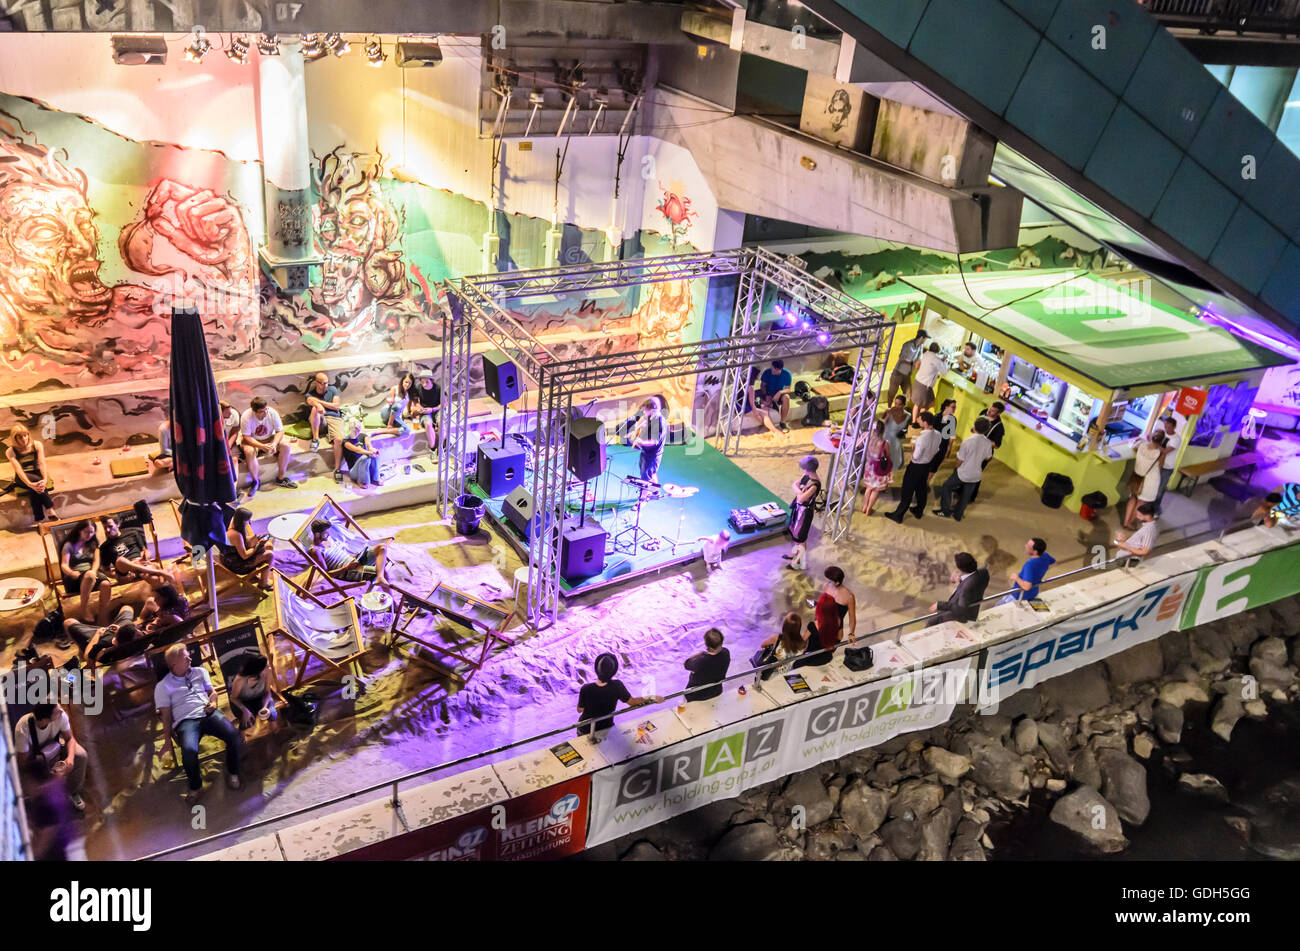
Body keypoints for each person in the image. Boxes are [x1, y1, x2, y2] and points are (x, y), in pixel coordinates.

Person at [155, 643, 243, 798]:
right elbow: (166, 715)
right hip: (186, 721)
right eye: (185, 657)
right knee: (188, 752)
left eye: (188, 655)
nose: (190, 658)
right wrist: (167, 740)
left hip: (208, 713)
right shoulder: (163, 686)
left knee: (234, 736)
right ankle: (195, 786)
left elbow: (212, 692)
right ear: (174, 663)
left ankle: (233, 772)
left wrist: (214, 703)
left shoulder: (200, 672)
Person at [13, 703, 87, 812]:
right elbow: (23, 761)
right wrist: (50, 776)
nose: (61, 711)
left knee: (81, 755)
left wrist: (70, 759)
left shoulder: (61, 716)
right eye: (57, 711)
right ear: (45, 719)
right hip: (35, 761)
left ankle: (72, 792)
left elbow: (70, 738)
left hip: (55, 748)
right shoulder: (23, 728)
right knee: (35, 791)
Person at [576, 653, 661, 741]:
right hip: (606, 727)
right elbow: (632, 702)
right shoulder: (617, 686)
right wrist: (651, 697)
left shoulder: (586, 688)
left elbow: (580, 709)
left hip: (585, 729)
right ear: (613, 672)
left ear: (597, 669)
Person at [934, 416, 994, 522]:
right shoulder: (988, 443)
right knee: (966, 496)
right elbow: (988, 457)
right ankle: (958, 515)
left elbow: (960, 460)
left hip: (963, 472)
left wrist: (956, 469)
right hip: (976, 474)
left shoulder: (967, 442)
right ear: (987, 429)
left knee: (946, 487)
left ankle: (945, 511)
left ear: (974, 426)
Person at [888, 411, 942, 522]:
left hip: (916, 466)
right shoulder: (938, 434)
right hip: (926, 466)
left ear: (925, 423)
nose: (917, 419)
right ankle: (918, 511)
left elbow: (916, 457)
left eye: (919, 419)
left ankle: (898, 515)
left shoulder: (922, 439)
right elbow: (936, 450)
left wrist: (913, 447)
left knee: (907, 490)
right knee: (921, 489)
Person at [239, 396, 297, 494]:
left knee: (285, 446)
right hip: (253, 440)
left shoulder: (272, 412)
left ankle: (280, 478)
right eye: (262, 411)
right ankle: (255, 481)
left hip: (269, 438)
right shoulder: (246, 416)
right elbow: (246, 437)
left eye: (266, 409)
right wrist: (261, 446)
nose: (266, 412)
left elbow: (280, 431)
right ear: (255, 411)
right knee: (249, 451)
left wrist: (274, 444)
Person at [4, 423, 59, 525]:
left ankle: (39, 521)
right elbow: (18, 470)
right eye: (20, 437)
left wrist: (45, 479)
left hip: (36, 473)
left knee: (35, 488)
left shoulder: (37, 445)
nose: (24, 439)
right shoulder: (10, 451)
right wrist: (29, 484)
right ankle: (50, 510)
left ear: (28, 435)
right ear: (15, 439)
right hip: (22, 476)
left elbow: (42, 463)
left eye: (25, 435)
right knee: (35, 484)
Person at [60, 520, 111, 624]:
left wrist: (93, 572)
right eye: (87, 532)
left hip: (92, 574)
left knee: (105, 584)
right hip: (75, 576)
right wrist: (71, 573)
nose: (90, 535)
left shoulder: (94, 544)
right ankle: (84, 608)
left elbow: (96, 562)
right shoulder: (69, 545)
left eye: (92, 532)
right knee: (89, 575)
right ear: (79, 531)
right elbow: (64, 565)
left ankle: (103, 617)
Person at [309, 517, 388, 584]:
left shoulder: (327, 540)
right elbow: (326, 574)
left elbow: (339, 556)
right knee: (383, 571)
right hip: (348, 572)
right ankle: (383, 583)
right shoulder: (316, 551)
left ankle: (380, 577)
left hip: (355, 561)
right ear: (317, 535)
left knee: (382, 547)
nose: (329, 534)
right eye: (326, 533)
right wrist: (347, 568)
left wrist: (355, 555)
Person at [100, 514, 171, 586]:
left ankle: (172, 595)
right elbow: (106, 571)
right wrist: (116, 576)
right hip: (125, 572)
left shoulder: (132, 533)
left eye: (110, 526)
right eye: (105, 528)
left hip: (139, 563)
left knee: (155, 579)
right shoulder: (104, 547)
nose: (107, 530)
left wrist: (145, 556)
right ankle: (159, 572)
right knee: (120, 560)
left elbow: (145, 550)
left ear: (117, 524)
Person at [806, 565, 856, 662]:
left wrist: (851, 633)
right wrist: (816, 603)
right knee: (810, 651)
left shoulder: (849, 596)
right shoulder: (826, 586)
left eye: (830, 580)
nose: (828, 582)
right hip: (820, 626)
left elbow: (852, 617)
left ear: (837, 582)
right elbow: (825, 605)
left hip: (835, 632)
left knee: (825, 657)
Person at [305, 372, 347, 482]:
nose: (325, 385)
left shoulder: (332, 390)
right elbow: (310, 400)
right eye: (322, 383)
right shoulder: (310, 394)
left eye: (326, 383)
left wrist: (319, 402)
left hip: (334, 418)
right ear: (316, 382)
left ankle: (337, 469)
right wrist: (318, 406)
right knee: (315, 409)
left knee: (338, 440)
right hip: (320, 419)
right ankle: (316, 438)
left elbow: (336, 406)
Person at [927, 552, 990, 626]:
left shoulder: (965, 589)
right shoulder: (983, 572)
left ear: (960, 569)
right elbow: (973, 581)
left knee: (931, 622)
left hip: (961, 616)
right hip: (972, 607)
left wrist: (939, 604)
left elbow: (961, 610)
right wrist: (962, 579)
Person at [222, 507, 273, 589]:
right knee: (270, 555)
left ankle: (262, 575)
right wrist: (257, 545)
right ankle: (263, 583)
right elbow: (244, 556)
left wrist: (256, 538)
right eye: (248, 520)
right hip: (236, 564)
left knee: (267, 545)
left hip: (232, 557)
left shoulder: (233, 524)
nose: (250, 522)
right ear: (242, 521)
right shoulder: (236, 534)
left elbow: (241, 541)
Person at [63, 608, 139, 664]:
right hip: (125, 637)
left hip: (100, 636)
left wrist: (98, 634)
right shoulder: (141, 640)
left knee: (68, 622)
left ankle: (79, 647)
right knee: (127, 608)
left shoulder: (104, 645)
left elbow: (87, 657)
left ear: (116, 638)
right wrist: (120, 629)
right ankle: (103, 619)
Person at [753, 613, 808, 688]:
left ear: (785, 626)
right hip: (788, 671)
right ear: (798, 627)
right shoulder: (801, 642)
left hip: (772, 673)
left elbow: (763, 645)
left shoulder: (777, 638)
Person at [1124, 431, 1166, 530]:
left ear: (1152, 437)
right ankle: (1130, 522)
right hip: (1150, 479)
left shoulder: (1142, 445)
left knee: (1133, 498)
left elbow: (1135, 450)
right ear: (1162, 440)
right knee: (1140, 502)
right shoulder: (1161, 452)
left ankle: (1126, 522)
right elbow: (1161, 466)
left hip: (1137, 477)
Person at [785, 455, 821, 568]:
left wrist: (798, 491)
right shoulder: (807, 476)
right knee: (795, 534)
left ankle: (798, 561)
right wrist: (799, 491)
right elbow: (795, 484)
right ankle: (795, 554)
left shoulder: (815, 484)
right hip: (798, 508)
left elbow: (801, 497)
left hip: (805, 513)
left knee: (801, 537)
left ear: (807, 469)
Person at [228, 654, 278, 732]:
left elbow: (267, 692)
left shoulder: (268, 671)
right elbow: (233, 698)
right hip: (243, 702)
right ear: (257, 671)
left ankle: (276, 736)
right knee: (247, 722)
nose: (268, 667)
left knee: (272, 714)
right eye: (265, 667)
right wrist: (245, 711)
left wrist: (264, 706)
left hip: (260, 697)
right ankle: (241, 736)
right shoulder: (240, 679)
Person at [968, 401, 1005, 504]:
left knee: (976, 474)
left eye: (993, 411)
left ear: (998, 413)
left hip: (984, 454)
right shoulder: (984, 412)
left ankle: (971, 496)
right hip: (974, 447)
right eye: (990, 408)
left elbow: (997, 445)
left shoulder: (999, 427)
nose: (990, 411)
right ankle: (961, 490)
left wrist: (982, 438)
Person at [999, 537, 1056, 605]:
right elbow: (1054, 563)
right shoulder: (1045, 555)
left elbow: (1026, 587)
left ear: (1035, 552)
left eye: (1028, 546)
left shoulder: (1030, 565)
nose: (1025, 546)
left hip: (1019, 596)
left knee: (996, 607)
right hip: (1034, 592)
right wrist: (1039, 571)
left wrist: (1016, 578)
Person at [683, 628, 731, 702]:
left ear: (706, 643)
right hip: (716, 692)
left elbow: (686, 663)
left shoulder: (700, 661)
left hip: (696, 696)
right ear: (721, 642)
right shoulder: (726, 653)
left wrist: (700, 654)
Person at [859, 418, 893, 516]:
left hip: (869, 466)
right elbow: (888, 455)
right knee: (875, 490)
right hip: (879, 468)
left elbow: (858, 445)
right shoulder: (884, 443)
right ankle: (869, 509)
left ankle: (864, 507)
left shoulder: (866, 436)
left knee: (868, 488)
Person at [886, 329, 928, 405]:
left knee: (909, 395)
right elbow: (901, 359)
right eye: (925, 338)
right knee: (892, 393)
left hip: (907, 374)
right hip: (898, 372)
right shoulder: (907, 345)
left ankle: (902, 410)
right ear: (922, 338)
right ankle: (889, 409)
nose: (926, 340)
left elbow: (920, 356)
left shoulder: (920, 346)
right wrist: (913, 363)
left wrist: (918, 360)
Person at [631, 396, 667, 485]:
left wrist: (641, 443)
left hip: (652, 455)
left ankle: (643, 498)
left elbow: (654, 441)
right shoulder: (651, 418)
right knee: (651, 472)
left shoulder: (659, 422)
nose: (644, 412)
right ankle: (656, 490)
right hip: (646, 452)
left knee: (645, 477)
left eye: (645, 410)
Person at [740, 366, 782, 438]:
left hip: (741, 406)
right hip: (744, 408)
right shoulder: (750, 387)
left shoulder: (742, 384)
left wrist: (763, 404)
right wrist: (757, 415)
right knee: (764, 413)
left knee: (764, 409)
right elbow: (752, 404)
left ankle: (771, 428)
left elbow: (754, 399)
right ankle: (775, 431)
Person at [911, 343, 948, 425]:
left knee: (929, 403)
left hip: (918, 382)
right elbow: (944, 372)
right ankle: (917, 422)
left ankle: (918, 420)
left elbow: (932, 364)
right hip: (924, 385)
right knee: (922, 405)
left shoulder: (925, 354)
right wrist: (945, 361)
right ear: (938, 350)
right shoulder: (936, 359)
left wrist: (941, 361)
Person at [410, 370, 442, 460]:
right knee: (428, 424)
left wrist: (432, 409)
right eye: (422, 381)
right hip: (424, 412)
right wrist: (419, 407)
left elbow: (444, 404)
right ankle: (433, 450)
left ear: (431, 380)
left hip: (436, 409)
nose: (424, 384)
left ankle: (441, 448)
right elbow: (415, 401)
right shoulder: (418, 388)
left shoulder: (438, 388)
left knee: (441, 422)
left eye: (427, 382)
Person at [342, 417, 383, 487]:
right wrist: (369, 453)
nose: (356, 432)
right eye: (354, 430)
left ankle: (376, 479)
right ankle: (362, 481)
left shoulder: (363, 436)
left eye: (357, 430)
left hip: (365, 467)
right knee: (365, 457)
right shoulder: (346, 441)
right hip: (354, 472)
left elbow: (369, 446)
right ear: (350, 429)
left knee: (374, 456)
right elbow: (357, 450)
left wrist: (373, 451)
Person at [755, 359, 793, 433]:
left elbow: (788, 390)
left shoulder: (787, 374)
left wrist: (779, 392)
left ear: (780, 369)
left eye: (774, 370)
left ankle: (782, 422)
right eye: (772, 368)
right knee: (755, 395)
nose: (772, 371)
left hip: (778, 394)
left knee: (786, 397)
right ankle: (765, 418)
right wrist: (766, 395)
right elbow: (762, 386)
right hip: (767, 392)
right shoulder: (767, 372)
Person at [929, 398, 959, 483]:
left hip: (943, 447)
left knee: (935, 467)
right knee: (928, 465)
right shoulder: (936, 417)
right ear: (946, 407)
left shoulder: (953, 420)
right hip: (933, 445)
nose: (954, 409)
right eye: (952, 407)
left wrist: (949, 449)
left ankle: (926, 483)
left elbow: (951, 436)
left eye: (955, 407)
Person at [378, 371, 415, 436]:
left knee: (406, 430)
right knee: (397, 405)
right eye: (406, 382)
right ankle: (389, 425)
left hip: (396, 416)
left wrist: (409, 414)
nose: (407, 385)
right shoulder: (395, 388)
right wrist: (389, 401)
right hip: (387, 413)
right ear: (402, 381)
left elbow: (406, 407)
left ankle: (384, 431)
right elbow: (391, 401)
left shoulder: (409, 393)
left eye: (410, 383)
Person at [1156, 415, 1180, 504]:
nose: (1166, 429)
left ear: (1174, 427)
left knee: (1160, 490)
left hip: (1167, 467)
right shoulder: (1164, 433)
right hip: (1158, 464)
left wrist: (1155, 443)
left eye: (1169, 427)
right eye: (1165, 426)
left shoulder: (1176, 439)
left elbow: (1165, 451)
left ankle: (1156, 510)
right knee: (1153, 488)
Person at [219, 399, 242, 483]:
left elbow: (235, 431)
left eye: (230, 411)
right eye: (227, 412)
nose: (231, 413)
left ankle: (233, 486)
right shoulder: (210, 418)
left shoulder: (234, 414)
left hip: (229, 441)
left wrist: (228, 445)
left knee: (234, 459)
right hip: (215, 443)